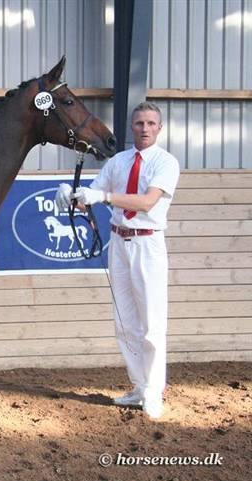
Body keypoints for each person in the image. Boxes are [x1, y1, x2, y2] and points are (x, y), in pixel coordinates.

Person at [55, 101, 180, 419]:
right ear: (132, 127)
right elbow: (92, 196)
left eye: (151, 123)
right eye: (139, 123)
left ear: (159, 128)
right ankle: (138, 387)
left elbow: (148, 202)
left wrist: (104, 197)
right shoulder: (118, 162)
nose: (145, 129)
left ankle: (154, 392)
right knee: (124, 323)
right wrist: (73, 196)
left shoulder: (166, 162)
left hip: (147, 245)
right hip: (118, 244)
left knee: (151, 324)